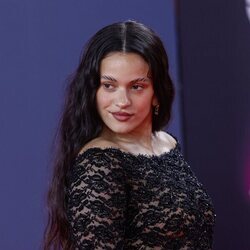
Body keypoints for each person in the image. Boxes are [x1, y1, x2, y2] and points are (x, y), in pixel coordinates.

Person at [43, 20, 216, 250]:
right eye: (109, 86)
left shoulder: (167, 143)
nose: (122, 102)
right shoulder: (99, 163)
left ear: (156, 93)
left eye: (136, 86)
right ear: (93, 91)